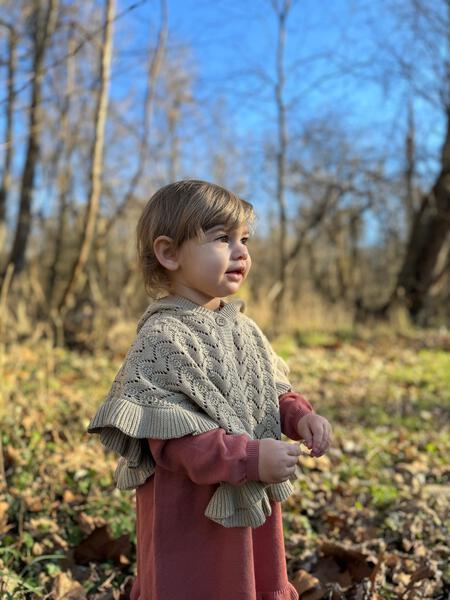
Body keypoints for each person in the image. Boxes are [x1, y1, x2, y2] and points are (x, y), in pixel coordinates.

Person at [87, 179, 332, 600]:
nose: (242, 252)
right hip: (189, 513)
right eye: (222, 239)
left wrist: (300, 416)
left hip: (251, 500)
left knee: (253, 580)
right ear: (169, 253)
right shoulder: (162, 337)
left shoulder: (246, 329)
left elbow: (268, 391)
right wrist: (249, 457)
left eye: (245, 239)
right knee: (201, 584)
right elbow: (172, 440)